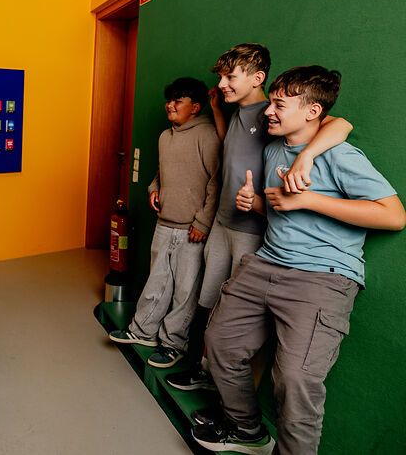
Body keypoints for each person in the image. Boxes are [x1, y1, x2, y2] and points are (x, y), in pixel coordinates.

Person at [192, 66, 405, 455]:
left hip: (322, 278)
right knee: (219, 343)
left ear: (311, 112)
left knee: (295, 380)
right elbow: (285, 211)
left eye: (279, 104)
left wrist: (308, 198)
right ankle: (246, 429)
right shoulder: (275, 147)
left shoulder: (341, 155)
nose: (269, 111)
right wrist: (256, 204)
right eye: (271, 101)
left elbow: (394, 215)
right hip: (266, 263)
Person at [167, 43, 354, 394]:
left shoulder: (274, 116)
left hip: (253, 230)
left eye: (229, 76)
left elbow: (340, 122)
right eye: (220, 77)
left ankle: (224, 384)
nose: (222, 83)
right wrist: (217, 112)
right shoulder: (241, 112)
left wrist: (307, 157)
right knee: (212, 301)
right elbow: (232, 148)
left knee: (236, 309)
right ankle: (208, 371)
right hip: (223, 222)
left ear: (257, 78)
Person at [109, 77, 220, 368]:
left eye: (178, 101)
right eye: (169, 100)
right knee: (157, 280)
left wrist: (204, 223)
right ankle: (143, 331)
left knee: (185, 291)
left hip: (193, 229)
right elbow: (161, 172)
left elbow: (216, 183)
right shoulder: (164, 136)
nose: (170, 105)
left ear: (195, 107)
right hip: (165, 222)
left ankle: (174, 344)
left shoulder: (207, 136)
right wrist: (153, 189)